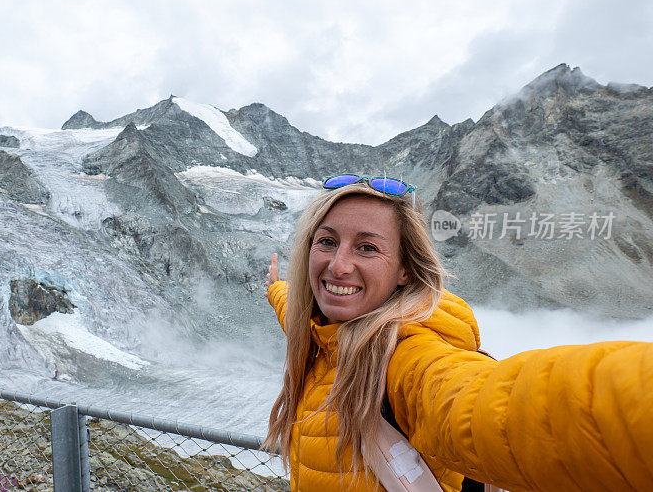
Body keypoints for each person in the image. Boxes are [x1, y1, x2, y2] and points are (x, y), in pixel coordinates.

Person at [261, 175, 653, 492]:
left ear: (405, 270)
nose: (338, 265)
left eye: (367, 248)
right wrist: (276, 289)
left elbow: (488, 407)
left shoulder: (406, 355)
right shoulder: (318, 333)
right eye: (327, 241)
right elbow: (295, 312)